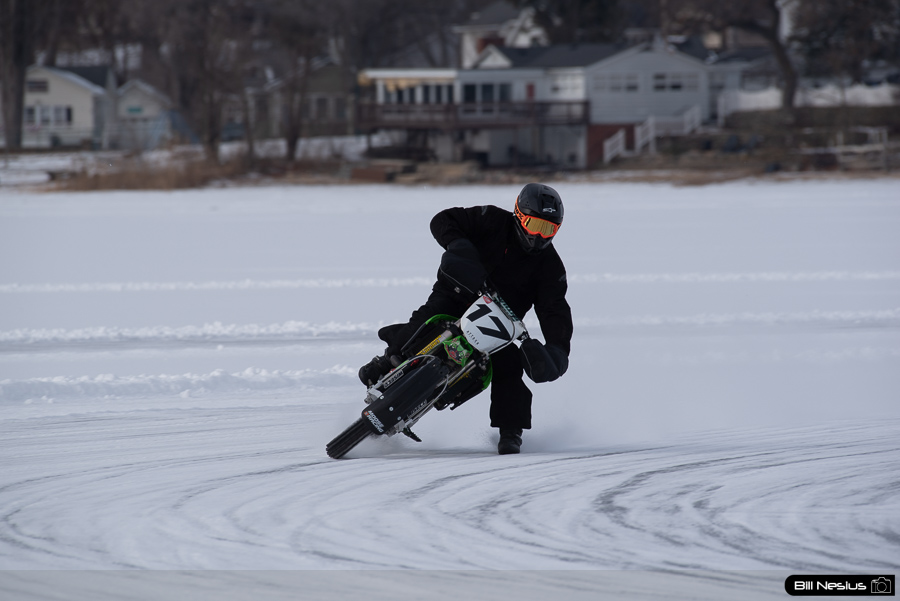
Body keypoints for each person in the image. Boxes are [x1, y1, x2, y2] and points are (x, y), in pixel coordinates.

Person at [358, 183, 573, 455]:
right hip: (457, 292)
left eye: (549, 229)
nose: (540, 236)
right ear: (519, 215)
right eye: (535, 225)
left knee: (508, 367)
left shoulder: (551, 267)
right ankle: (387, 361)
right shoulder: (492, 219)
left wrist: (557, 351)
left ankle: (511, 431)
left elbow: (555, 309)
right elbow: (443, 219)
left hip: (499, 323)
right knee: (424, 322)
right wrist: (458, 245)